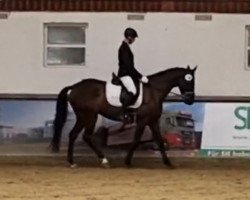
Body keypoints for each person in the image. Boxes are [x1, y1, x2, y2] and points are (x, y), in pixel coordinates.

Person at [117, 27, 148, 122]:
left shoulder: (126, 47)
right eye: (133, 38)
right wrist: (140, 76)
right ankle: (123, 113)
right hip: (124, 74)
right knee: (133, 90)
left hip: (128, 74)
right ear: (129, 37)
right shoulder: (124, 48)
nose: (134, 40)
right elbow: (128, 66)